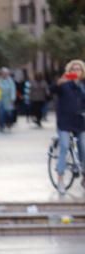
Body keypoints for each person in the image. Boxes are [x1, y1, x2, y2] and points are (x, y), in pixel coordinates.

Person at [52, 60, 85, 194]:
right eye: (73, 69)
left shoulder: (83, 86)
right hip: (64, 122)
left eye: (79, 69)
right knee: (64, 146)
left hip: (79, 121)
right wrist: (59, 82)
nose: (76, 71)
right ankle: (60, 179)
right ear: (69, 71)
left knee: (83, 146)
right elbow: (52, 90)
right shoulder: (64, 84)